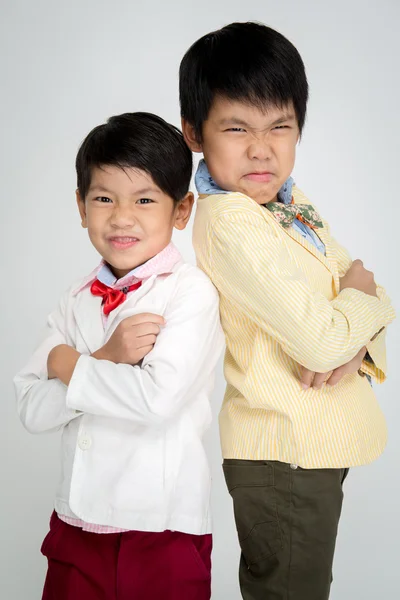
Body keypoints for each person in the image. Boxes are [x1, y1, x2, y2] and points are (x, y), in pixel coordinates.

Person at [179, 22, 396, 600]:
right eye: (236, 128)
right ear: (194, 133)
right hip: (282, 452)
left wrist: (354, 335)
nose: (262, 148)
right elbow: (346, 310)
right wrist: (353, 319)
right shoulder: (230, 221)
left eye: (281, 126)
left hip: (308, 449)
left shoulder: (287, 202)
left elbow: (368, 286)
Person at [14, 112, 223, 600]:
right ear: (81, 208)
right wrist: (107, 356)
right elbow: (30, 407)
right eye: (104, 198)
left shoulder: (189, 292)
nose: (122, 216)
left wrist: (70, 365)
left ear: (181, 210)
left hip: (162, 525)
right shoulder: (75, 297)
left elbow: (155, 401)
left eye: (145, 199)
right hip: (76, 523)